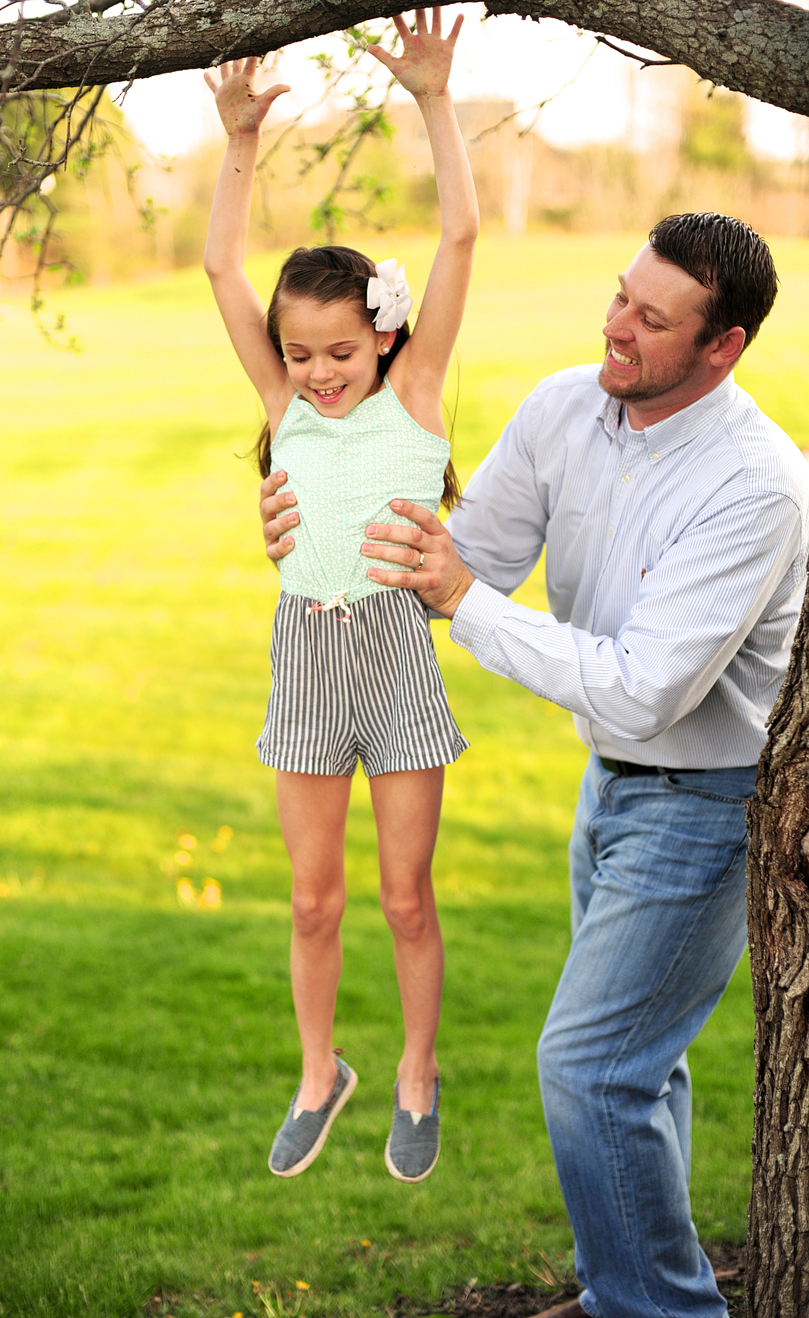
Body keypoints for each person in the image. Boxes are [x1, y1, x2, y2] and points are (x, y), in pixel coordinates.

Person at [261, 213, 809, 1316]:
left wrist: (463, 600)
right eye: (619, 294)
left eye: (651, 319)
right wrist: (320, 529)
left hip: (708, 802)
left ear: (724, 346)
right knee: (637, 1069)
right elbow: (468, 552)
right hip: (611, 788)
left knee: (590, 1067)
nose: (615, 327)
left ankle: (652, 1307)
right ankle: (659, 1289)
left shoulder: (758, 486)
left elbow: (647, 686)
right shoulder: (569, 405)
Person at [203, 8, 478, 1184]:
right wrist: (238, 138)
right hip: (306, 655)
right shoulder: (281, 407)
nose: (315, 373)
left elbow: (462, 233)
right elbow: (220, 264)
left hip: (394, 653)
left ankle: (416, 1071)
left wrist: (431, 97)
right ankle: (323, 1072)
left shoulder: (413, 396)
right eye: (296, 353)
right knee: (315, 900)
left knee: (404, 896)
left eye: (336, 353)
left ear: (380, 337)